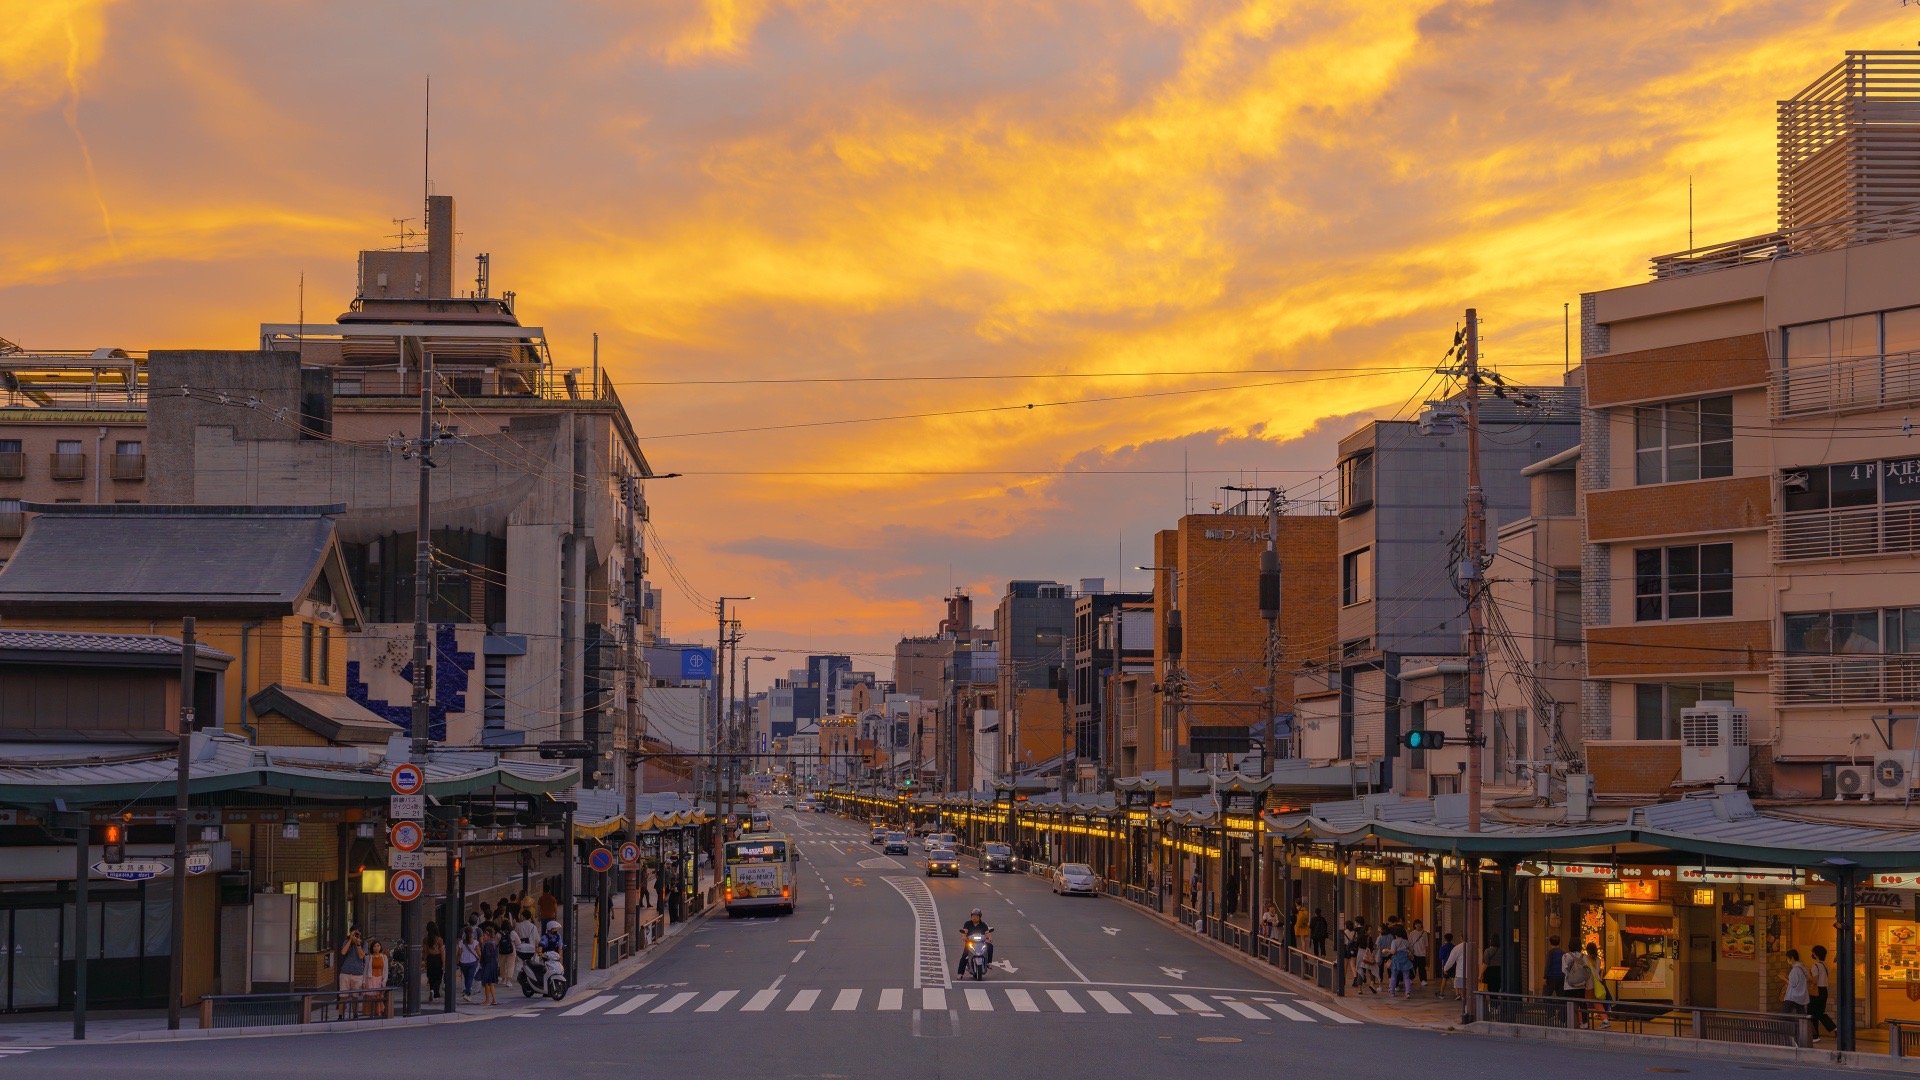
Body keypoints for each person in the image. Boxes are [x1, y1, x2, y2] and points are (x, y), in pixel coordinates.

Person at [1809, 945, 1838, 1042]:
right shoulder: (1825, 966)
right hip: (1824, 991)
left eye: (1813, 953)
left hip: (1816, 991)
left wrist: (1808, 978)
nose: (1812, 955)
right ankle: (1834, 1028)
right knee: (1820, 1012)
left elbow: (1815, 980)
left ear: (1815, 954)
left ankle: (1815, 1036)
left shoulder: (1815, 966)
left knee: (1812, 1013)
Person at [337, 927, 369, 1016]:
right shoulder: (346, 942)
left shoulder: (364, 943)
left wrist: (358, 944)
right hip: (345, 973)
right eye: (354, 934)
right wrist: (350, 940)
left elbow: (361, 956)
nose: (356, 936)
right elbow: (343, 952)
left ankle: (355, 1015)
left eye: (357, 934)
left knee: (355, 997)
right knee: (343, 997)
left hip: (357, 974)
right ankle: (340, 1016)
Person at [956, 907, 993, 975]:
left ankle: (988, 963)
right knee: (964, 956)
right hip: (970, 943)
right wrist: (964, 937)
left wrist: (989, 938)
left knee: (990, 946)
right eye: (973, 916)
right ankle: (960, 973)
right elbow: (965, 932)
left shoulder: (983, 924)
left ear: (980, 917)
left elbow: (987, 933)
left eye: (976, 916)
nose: (974, 917)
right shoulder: (967, 923)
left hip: (981, 943)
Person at [365, 940, 390, 1017]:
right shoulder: (369, 957)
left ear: (380, 947)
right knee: (372, 996)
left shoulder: (384, 957)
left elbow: (386, 970)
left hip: (380, 978)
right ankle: (371, 1013)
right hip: (371, 978)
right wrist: (363, 981)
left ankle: (379, 1012)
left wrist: (384, 980)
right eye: (374, 946)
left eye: (378, 946)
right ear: (372, 948)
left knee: (379, 995)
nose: (376, 948)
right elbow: (365, 970)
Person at [1782, 948, 1810, 1018]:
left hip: (1792, 997)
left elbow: (1793, 984)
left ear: (1792, 958)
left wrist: (1784, 978)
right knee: (1802, 1017)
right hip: (1801, 996)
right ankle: (1802, 1028)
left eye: (1787, 958)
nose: (1787, 960)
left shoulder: (1795, 970)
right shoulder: (1802, 968)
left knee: (1783, 1016)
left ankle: (1783, 1028)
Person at [478, 926, 501, 1006]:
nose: (483, 937)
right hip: (493, 964)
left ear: (488, 935)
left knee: (487, 983)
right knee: (491, 983)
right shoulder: (494, 943)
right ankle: (494, 1000)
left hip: (488, 965)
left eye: (484, 935)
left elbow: (486, 956)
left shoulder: (487, 944)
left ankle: (487, 1000)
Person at [1442, 936, 1470, 1001]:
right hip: (1471, 973)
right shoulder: (1472, 947)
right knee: (1469, 992)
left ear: (1461, 938)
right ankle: (1468, 1006)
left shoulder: (1457, 948)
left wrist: (1445, 968)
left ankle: (1465, 1007)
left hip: (1461, 973)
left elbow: (1451, 960)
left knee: (1462, 991)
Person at [457, 926, 480, 1002]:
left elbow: (459, 953)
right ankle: (468, 993)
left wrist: (457, 960)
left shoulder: (461, 942)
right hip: (473, 962)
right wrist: (481, 959)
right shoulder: (475, 942)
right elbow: (478, 953)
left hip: (463, 962)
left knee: (467, 978)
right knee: (470, 978)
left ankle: (467, 991)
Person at [1389, 931, 1414, 997]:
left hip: (1396, 960)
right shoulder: (1406, 941)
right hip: (1405, 960)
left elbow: (1393, 952)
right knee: (1406, 977)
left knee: (1394, 976)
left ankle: (1392, 992)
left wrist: (1387, 950)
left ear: (1396, 935)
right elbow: (1411, 950)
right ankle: (1407, 992)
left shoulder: (1394, 941)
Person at [423, 923, 445, 1002]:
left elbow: (425, 951)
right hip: (437, 958)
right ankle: (436, 993)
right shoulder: (439, 939)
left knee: (431, 976)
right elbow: (442, 952)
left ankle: (431, 990)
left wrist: (425, 961)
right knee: (438, 976)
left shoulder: (426, 939)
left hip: (430, 959)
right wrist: (443, 962)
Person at [1407, 920, 1431, 984]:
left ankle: (1423, 980)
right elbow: (1409, 944)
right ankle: (1410, 979)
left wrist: (1427, 953)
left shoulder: (1424, 933)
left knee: (1422, 968)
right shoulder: (1412, 933)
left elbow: (1426, 944)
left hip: (1422, 954)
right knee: (1412, 967)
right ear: (1414, 925)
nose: (1417, 925)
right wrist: (1410, 952)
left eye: (1419, 924)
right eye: (1416, 924)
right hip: (1414, 953)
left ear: (1421, 924)